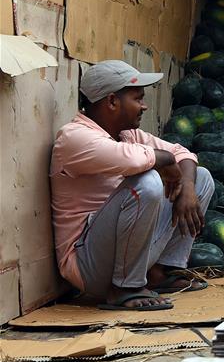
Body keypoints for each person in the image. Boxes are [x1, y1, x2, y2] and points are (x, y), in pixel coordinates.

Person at [50, 60, 213, 311]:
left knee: (200, 178)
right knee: (145, 182)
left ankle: (158, 272)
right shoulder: (74, 138)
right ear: (113, 102)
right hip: (88, 265)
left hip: (124, 255)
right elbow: (141, 159)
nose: (144, 106)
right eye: (138, 99)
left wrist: (187, 187)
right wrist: (167, 160)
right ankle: (124, 288)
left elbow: (182, 153)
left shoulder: (127, 134)